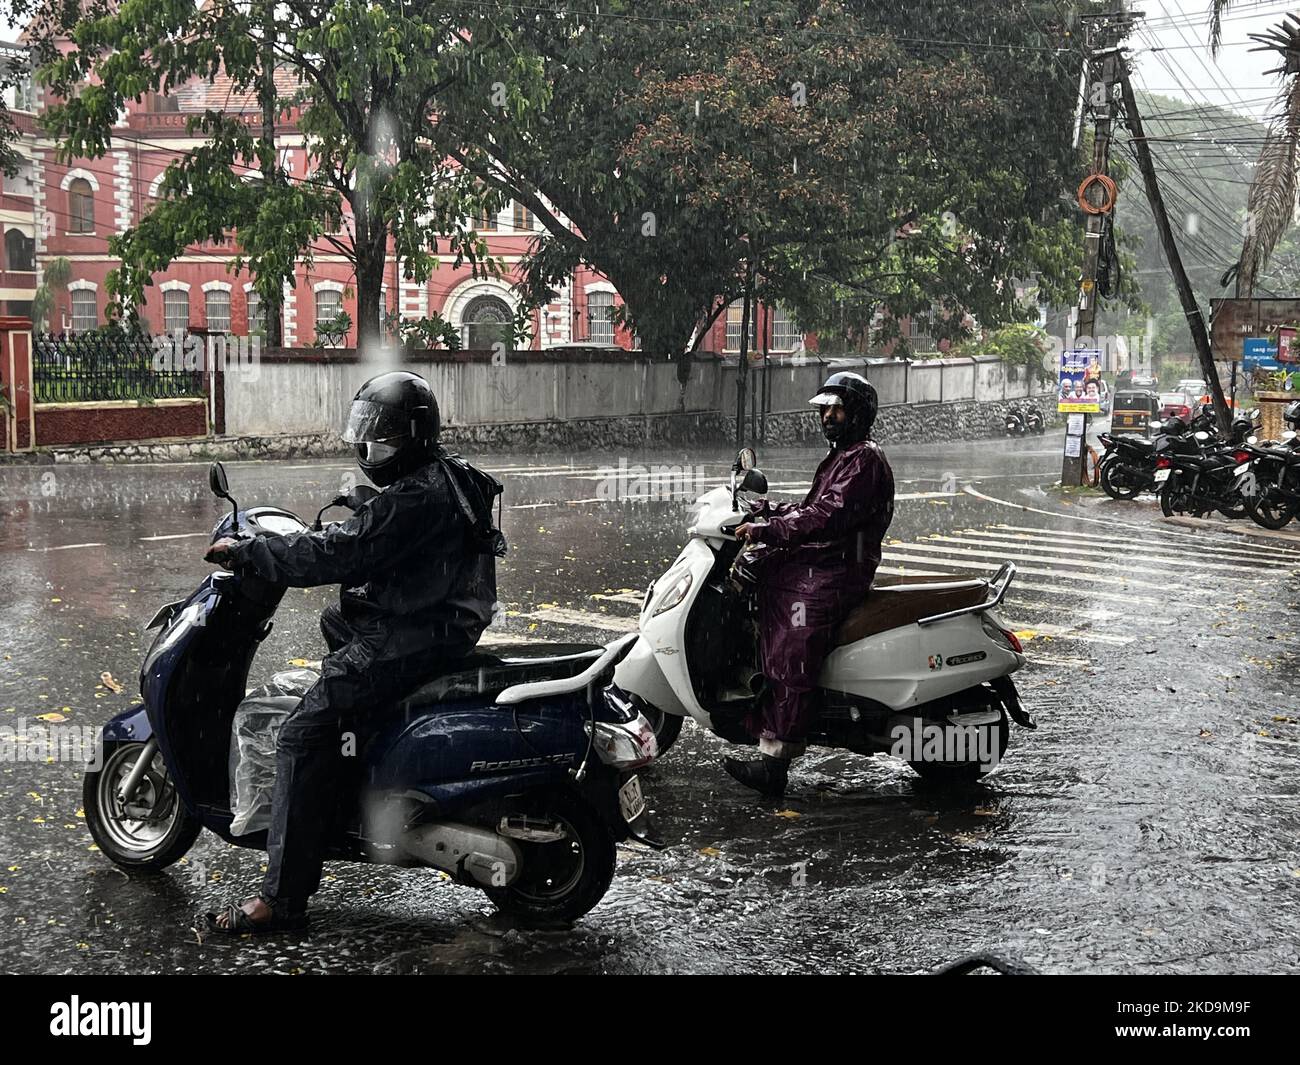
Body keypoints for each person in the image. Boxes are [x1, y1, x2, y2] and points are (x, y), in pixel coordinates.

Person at [198, 370, 503, 934]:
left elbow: (339, 554)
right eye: (367, 437)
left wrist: (255, 553)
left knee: (300, 732)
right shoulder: (443, 476)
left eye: (382, 438)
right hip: (444, 617)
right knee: (335, 621)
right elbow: (384, 532)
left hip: (413, 633)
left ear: (413, 437)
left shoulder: (415, 496)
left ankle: (280, 901)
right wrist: (365, 504)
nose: (370, 449)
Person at [727, 371, 895, 799]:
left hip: (839, 570)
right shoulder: (844, 455)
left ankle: (775, 762)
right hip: (823, 560)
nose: (828, 417)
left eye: (837, 409)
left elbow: (825, 518)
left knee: (792, 644)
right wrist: (765, 509)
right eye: (825, 410)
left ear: (858, 413)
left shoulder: (864, 460)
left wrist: (769, 530)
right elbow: (811, 506)